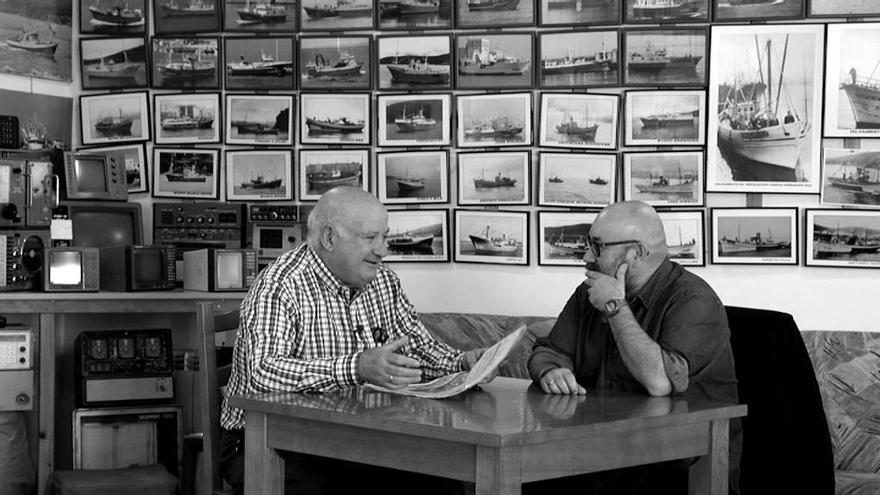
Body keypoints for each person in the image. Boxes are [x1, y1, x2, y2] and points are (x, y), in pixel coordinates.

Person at [219, 186, 481, 495]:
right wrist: (356, 367)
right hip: (264, 438)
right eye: (371, 238)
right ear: (330, 238)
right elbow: (262, 372)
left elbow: (417, 346)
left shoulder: (383, 280)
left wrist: (462, 362)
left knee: (441, 482)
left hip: (352, 433)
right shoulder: (280, 285)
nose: (383, 250)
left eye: (384, 237)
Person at [527, 200, 740, 495]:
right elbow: (548, 351)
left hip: (679, 463)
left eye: (598, 246)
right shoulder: (587, 294)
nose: (586, 255)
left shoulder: (694, 300)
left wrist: (615, 307)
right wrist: (551, 371)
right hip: (602, 450)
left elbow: (659, 382)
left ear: (636, 253)